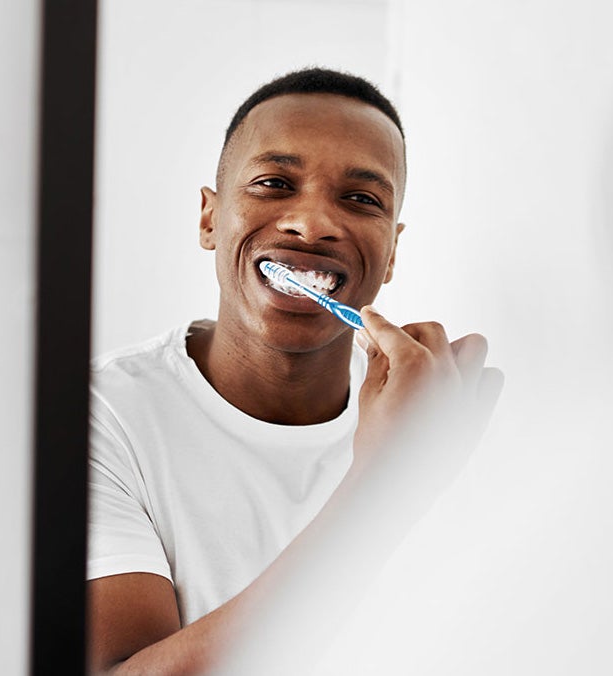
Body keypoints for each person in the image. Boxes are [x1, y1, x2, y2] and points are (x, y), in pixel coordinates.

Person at [86, 67, 504, 675]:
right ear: (209, 218)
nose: (311, 224)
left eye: (361, 199)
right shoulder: (102, 416)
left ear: (392, 251)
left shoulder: (444, 419)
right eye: (274, 183)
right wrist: (386, 484)